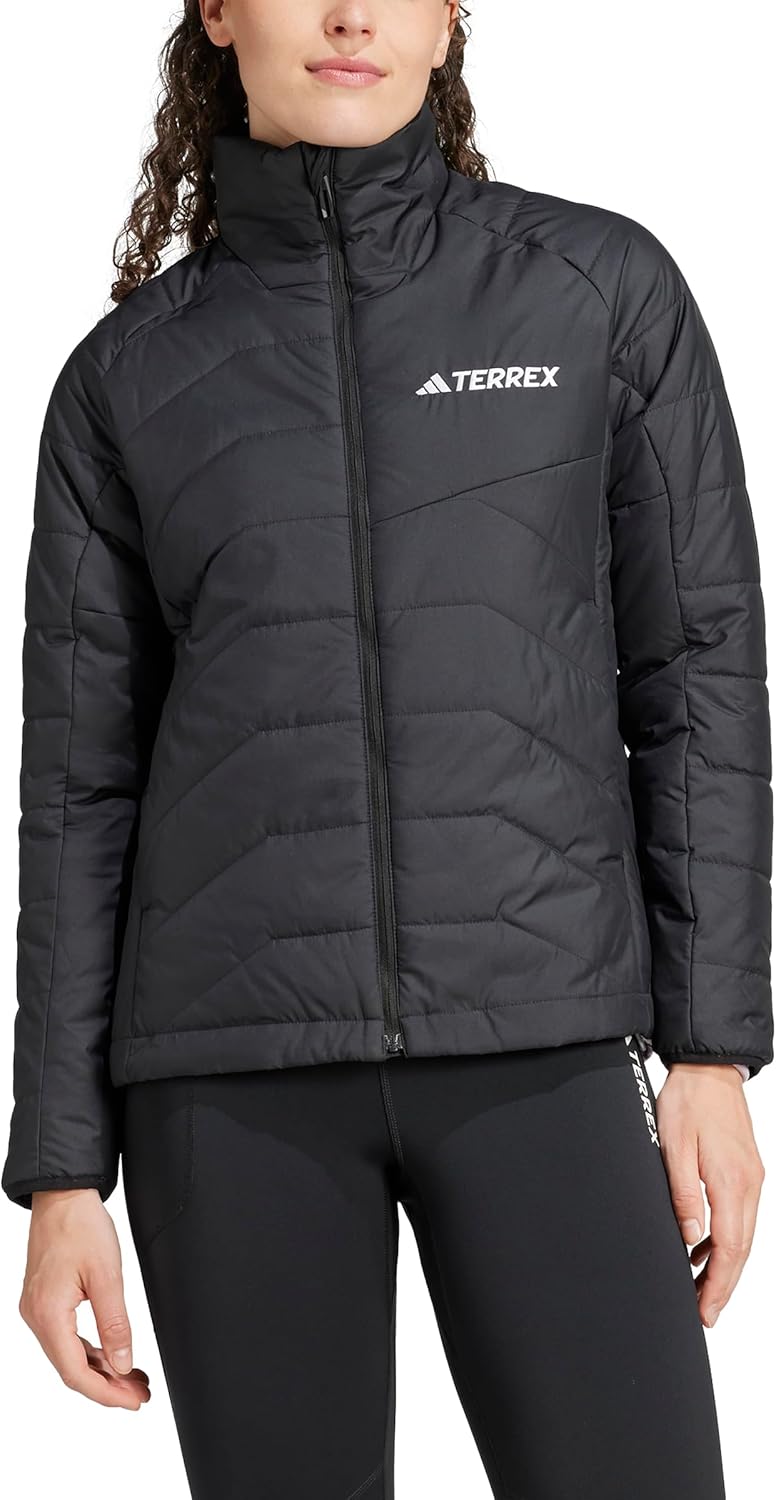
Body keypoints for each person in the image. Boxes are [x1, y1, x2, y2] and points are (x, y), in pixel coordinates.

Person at [2, 2, 772, 1496]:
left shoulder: (596, 292)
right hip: (227, 1085)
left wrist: (710, 1050)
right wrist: (60, 1172)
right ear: (218, 12)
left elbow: (697, 679)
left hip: (542, 1041)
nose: (349, 13)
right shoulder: (128, 378)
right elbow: (80, 790)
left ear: (448, 18)